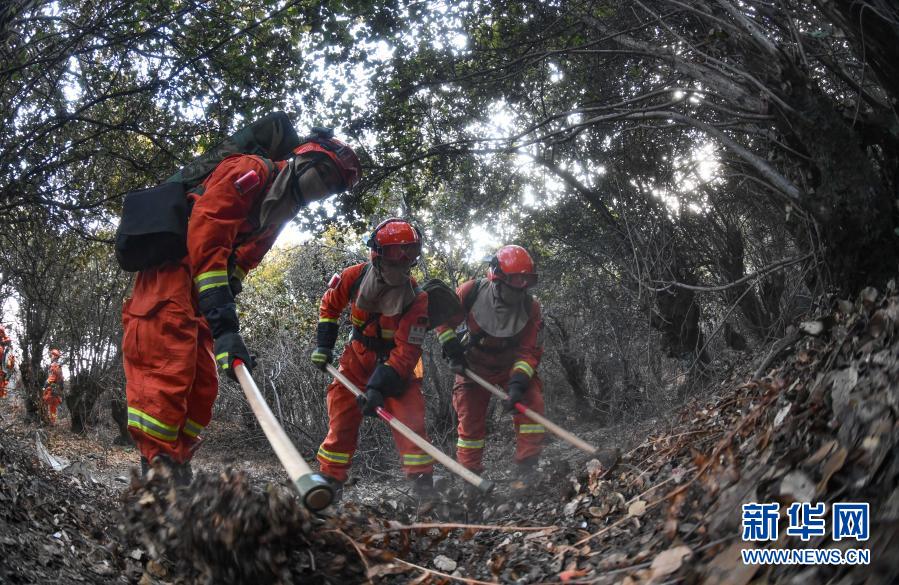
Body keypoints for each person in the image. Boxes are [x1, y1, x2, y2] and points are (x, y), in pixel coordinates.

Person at [123, 129, 360, 484]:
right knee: (166, 376)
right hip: (170, 277)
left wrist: (227, 327)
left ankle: (177, 467)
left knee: (203, 388)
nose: (322, 188)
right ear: (305, 158)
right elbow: (206, 241)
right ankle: (158, 472)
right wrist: (225, 326)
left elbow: (244, 261)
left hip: (201, 295)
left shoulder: (281, 210)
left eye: (332, 186)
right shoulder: (249, 172)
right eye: (323, 174)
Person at [311, 218, 435, 500]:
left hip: (397, 365)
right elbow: (329, 306)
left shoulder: (417, 297)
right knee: (341, 419)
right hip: (356, 359)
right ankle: (330, 482)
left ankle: (424, 487)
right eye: (395, 255)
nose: (402, 263)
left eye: (410, 255)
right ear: (378, 254)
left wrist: (378, 387)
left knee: (410, 420)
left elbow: (407, 351)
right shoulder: (353, 278)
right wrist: (324, 346)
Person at [435, 245, 545, 486]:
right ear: (498, 279)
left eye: (526, 283)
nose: (521, 291)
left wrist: (517, 383)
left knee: (531, 404)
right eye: (516, 283)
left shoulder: (530, 307)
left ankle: (527, 468)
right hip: (473, 368)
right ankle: (470, 478)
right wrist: (452, 348)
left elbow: (528, 351)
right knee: (470, 424)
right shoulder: (470, 291)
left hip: (510, 366)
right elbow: (443, 321)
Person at [43, 349, 64, 424]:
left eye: (52, 355)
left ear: (55, 356)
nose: (51, 357)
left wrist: (46, 383)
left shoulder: (54, 365)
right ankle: (52, 421)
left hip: (52, 389)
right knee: (52, 407)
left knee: (48, 404)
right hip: (55, 389)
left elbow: (52, 377)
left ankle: (51, 421)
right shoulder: (58, 366)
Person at [0, 325, 11, 399]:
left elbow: (9, 340)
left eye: (1, 332)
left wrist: (3, 342)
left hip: (2, 363)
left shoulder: (3, 342)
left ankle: (2, 392)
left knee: (4, 374)